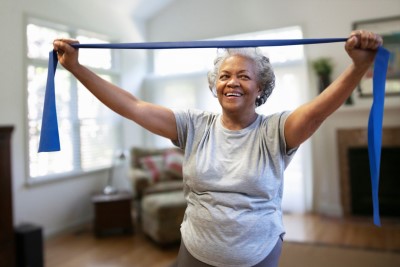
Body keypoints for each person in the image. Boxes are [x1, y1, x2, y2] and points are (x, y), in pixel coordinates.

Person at [53, 30, 382, 267]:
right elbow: (133, 106)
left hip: (258, 255)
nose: (233, 82)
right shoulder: (194, 125)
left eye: (244, 76)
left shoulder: (275, 130)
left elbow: (317, 111)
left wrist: (357, 67)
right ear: (215, 86)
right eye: (224, 76)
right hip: (195, 251)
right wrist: (77, 68)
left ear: (260, 88)